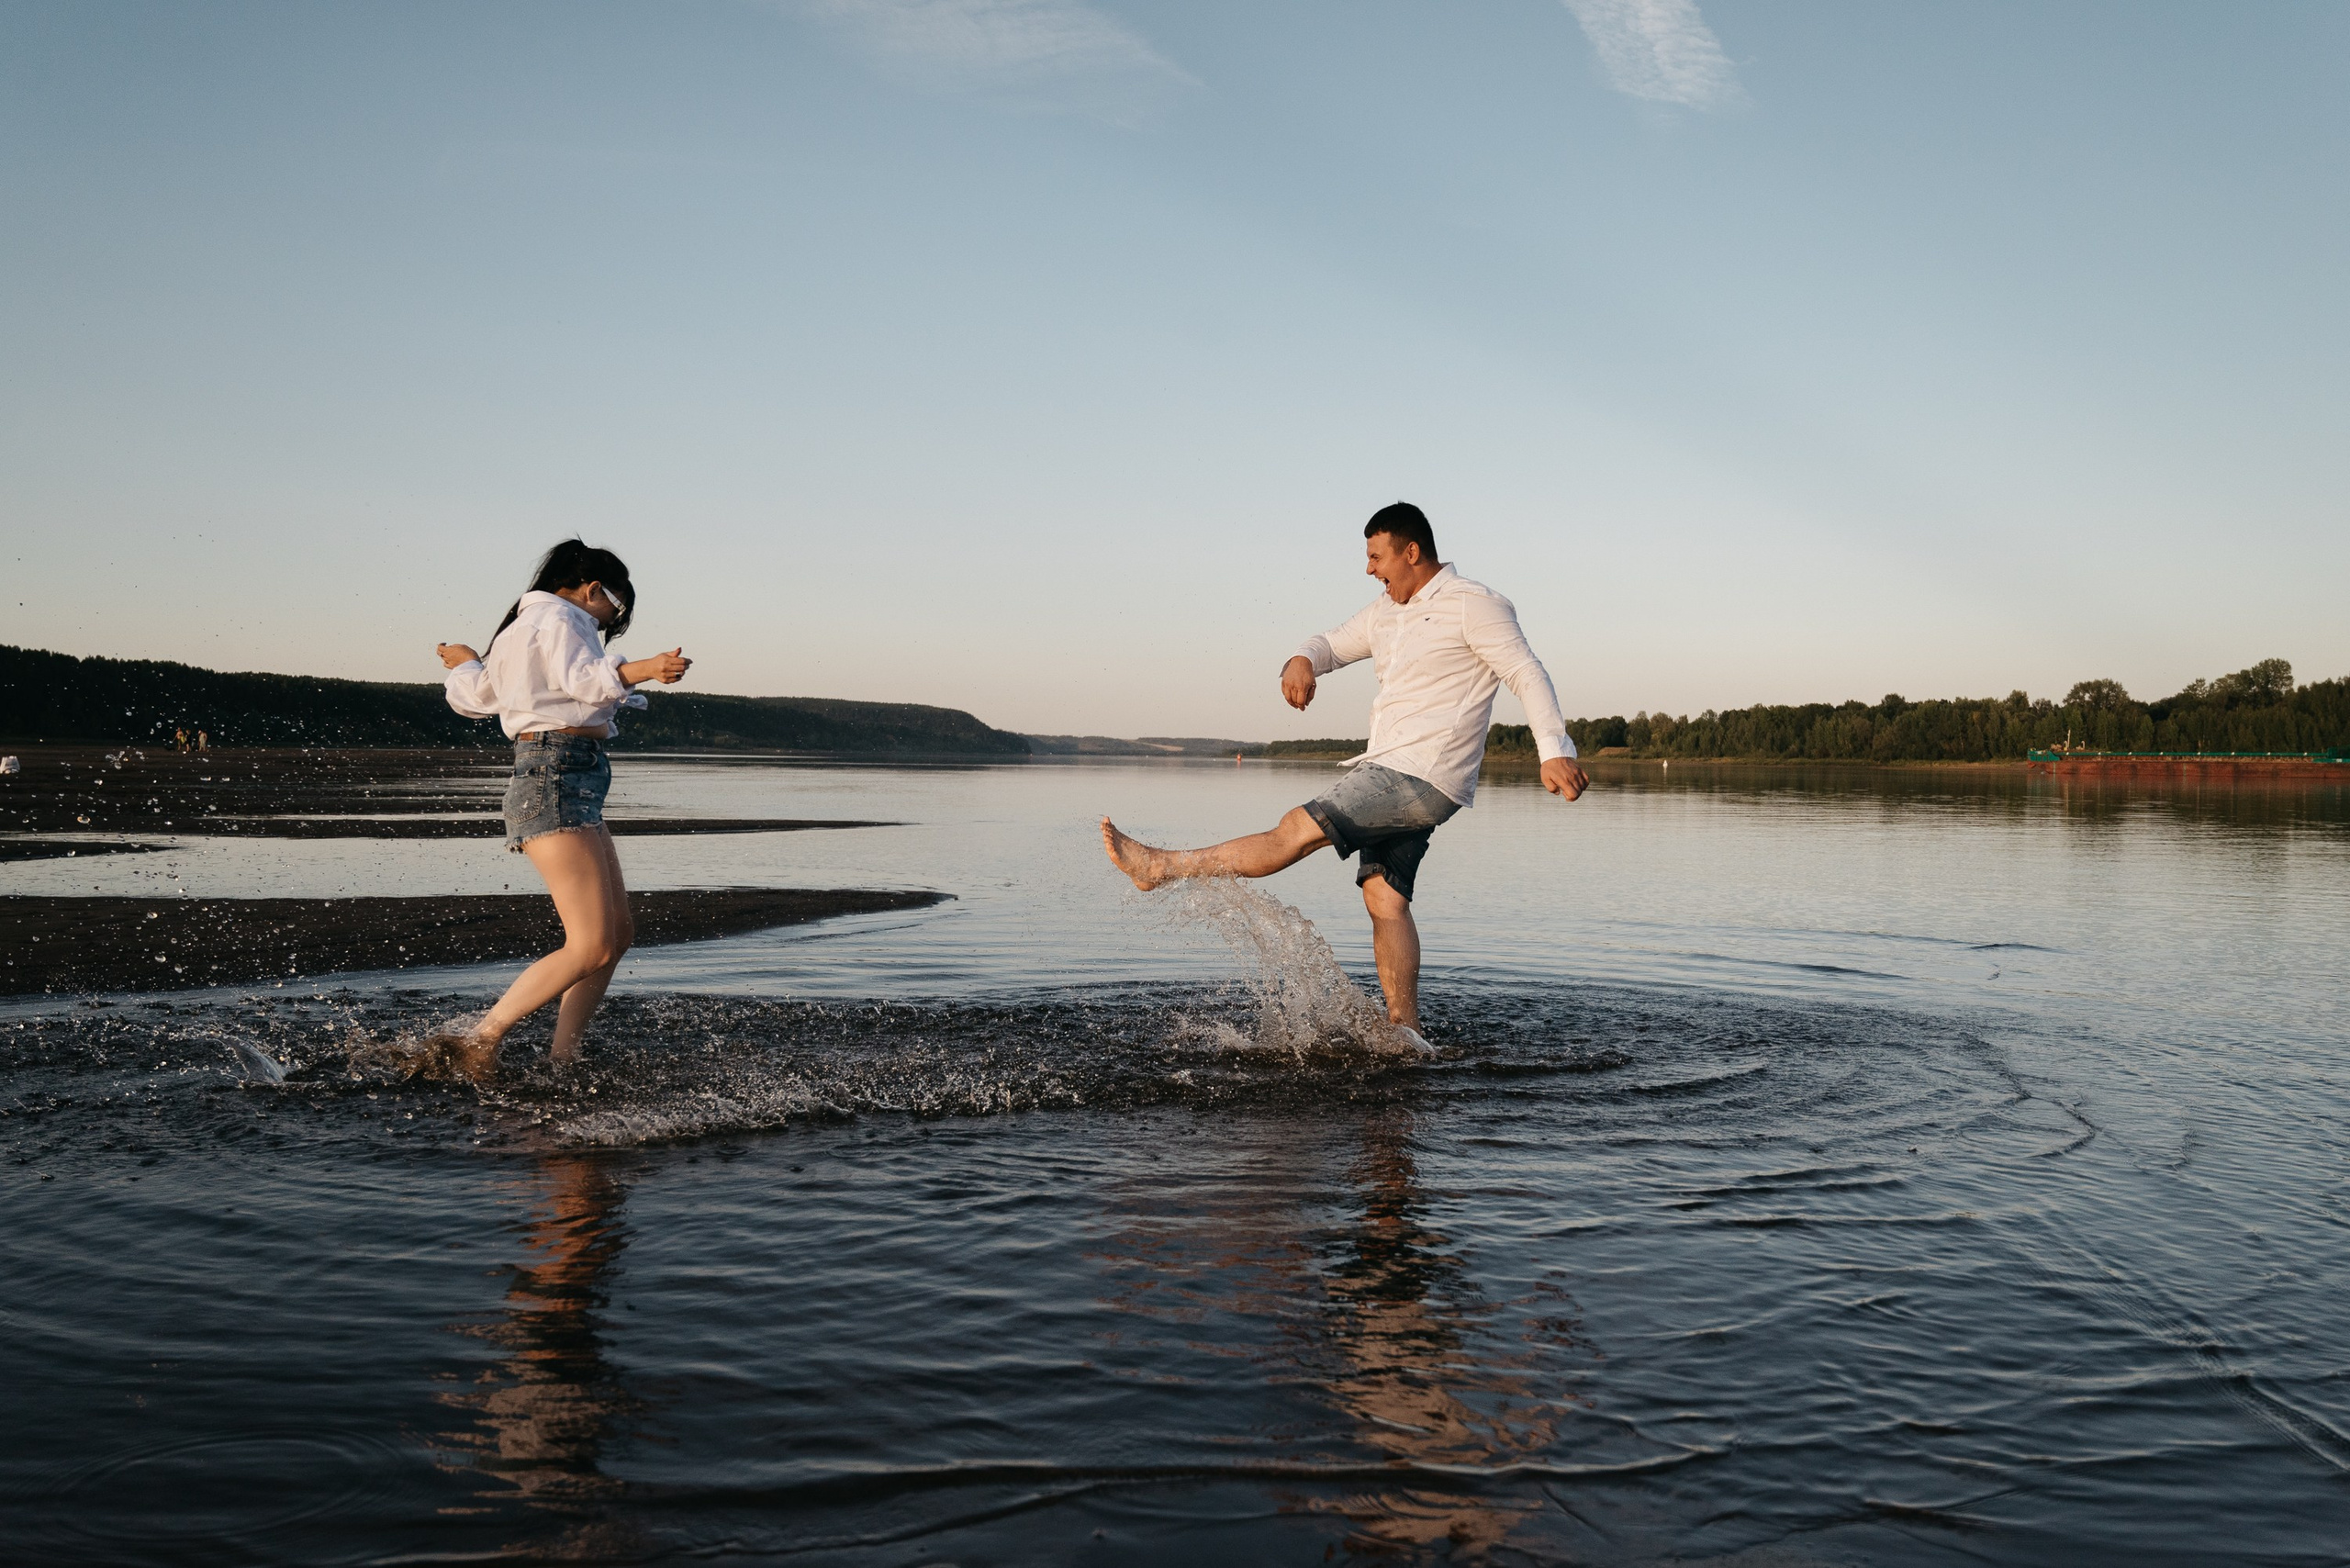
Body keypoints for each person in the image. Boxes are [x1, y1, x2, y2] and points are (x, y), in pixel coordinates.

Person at [1102, 502, 1586, 1048]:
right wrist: (1302, 660)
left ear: (1411, 552)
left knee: (1294, 829)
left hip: (1419, 773)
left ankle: (1161, 867)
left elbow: (1525, 671)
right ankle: (1407, 1037)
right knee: (1385, 899)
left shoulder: (1474, 604)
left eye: (1377, 557)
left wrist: (1552, 750)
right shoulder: (1385, 612)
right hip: (1399, 773)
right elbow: (1330, 643)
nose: (1370, 569)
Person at [428, 539, 690, 1078]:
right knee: (592, 945)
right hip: (556, 775)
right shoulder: (562, 619)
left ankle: (563, 1057)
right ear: (593, 590)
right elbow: (582, 681)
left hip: (569, 775)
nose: (612, 620)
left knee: (616, 935)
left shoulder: (523, 629)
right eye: (616, 607)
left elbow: (477, 698)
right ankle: (479, 1039)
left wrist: (469, 663)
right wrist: (645, 668)